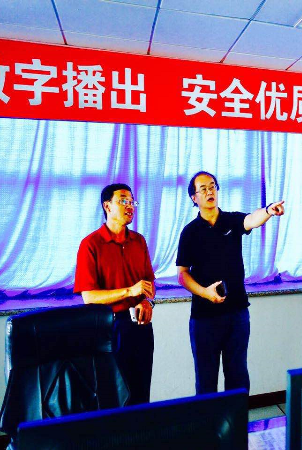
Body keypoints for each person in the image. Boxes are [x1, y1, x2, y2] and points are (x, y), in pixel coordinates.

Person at [176, 171, 284, 394]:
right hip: (204, 317)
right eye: (203, 189)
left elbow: (251, 220)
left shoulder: (231, 220)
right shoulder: (190, 232)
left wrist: (268, 210)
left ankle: (237, 417)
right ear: (194, 197)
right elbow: (182, 275)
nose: (210, 191)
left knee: (238, 375)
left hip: (237, 313)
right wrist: (205, 293)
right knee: (206, 380)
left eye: (212, 186)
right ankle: (209, 418)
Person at [74, 183, 156, 405]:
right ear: (107, 206)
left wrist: (147, 302)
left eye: (132, 202)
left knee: (141, 394)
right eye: (123, 201)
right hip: (109, 328)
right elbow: (89, 297)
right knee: (114, 397)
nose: (130, 206)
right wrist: (130, 291)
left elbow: (149, 285)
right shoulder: (91, 244)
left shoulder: (139, 241)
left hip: (140, 325)